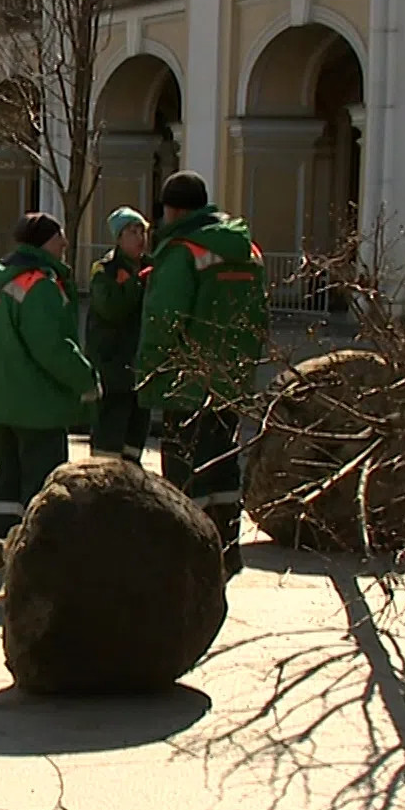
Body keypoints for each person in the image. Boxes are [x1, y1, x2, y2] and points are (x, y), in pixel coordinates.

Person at [135, 170, 269, 579]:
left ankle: (188, 558)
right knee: (224, 467)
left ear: (171, 210)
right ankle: (226, 551)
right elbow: (259, 315)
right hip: (231, 380)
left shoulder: (181, 252)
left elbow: (164, 318)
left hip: (187, 383)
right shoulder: (249, 250)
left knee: (185, 473)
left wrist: (147, 370)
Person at [0, 212, 101, 540]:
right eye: (58, 236)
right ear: (43, 242)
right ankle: (38, 548)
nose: (64, 242)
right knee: (41, 480)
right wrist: (86, 380)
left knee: (7, 475)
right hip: (35, 403)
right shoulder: (39, 284)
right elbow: (52, 347)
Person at [87, 206, 152, 465]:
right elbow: (111, 309)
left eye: (142, 231)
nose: (140, 238)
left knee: (134, 444)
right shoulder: (105, 271)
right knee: (108, 446)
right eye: (132, 232)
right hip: (113, 368)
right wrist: (137, 283)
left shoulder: (151, 266)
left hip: (142, 368)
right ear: (118, 238)